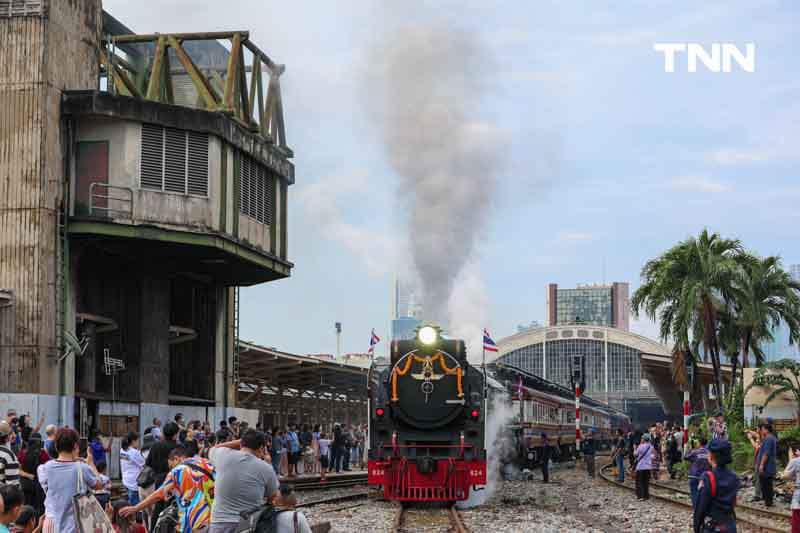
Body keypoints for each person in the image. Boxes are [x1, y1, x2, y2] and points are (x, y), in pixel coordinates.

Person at [120, 446, 214, 533]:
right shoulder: (206, 463)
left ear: (176, 459)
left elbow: (158, 495)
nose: (171, 469)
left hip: (192, 522)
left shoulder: (177, 471)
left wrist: (135, 508)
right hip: (213, 519)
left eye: (171, 466)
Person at [208, 429, 279, 533]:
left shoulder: (222, 455)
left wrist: (241, 441)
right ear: (261, 448)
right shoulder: (266, 468)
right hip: (248, 525)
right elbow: (273, 496)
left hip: (220, 524)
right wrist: (268, 463)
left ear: (241, 444)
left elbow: (214, 448)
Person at [38, 427, 103, 533]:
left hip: (51, 524)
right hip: (74, 525)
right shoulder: (82, 468)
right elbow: (99, 485)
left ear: (56, 445)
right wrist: (91, 463)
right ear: (76, 446)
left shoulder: (44, 468)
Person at [693, 438, 740, 533]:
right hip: (730, 526)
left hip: (713, 527)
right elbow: (733, 503)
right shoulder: (734, 477)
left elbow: (701, 507)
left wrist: (696, 527)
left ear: (712, 456)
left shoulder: (707, 477)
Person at [145, 422, 180, 528]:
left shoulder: (156, 445)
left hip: (159, 479)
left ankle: (154, 529)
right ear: (175, 434)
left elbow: (148, 463)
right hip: (175, 481)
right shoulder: (179, 448)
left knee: (158, 507)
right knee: (174, 508)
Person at [17, 435, 46, 513]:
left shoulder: (22, 453)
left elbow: (18, 470)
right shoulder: (43, 453)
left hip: (25, 484)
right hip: (40, 485)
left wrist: (28, 475)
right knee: (39, 508)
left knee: (25, 508)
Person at [685, 437, 711, 508]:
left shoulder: (695, 452)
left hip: (694, 476)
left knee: (694, 493)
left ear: (699, 443)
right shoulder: (709, 452)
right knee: (705, 494)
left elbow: (686, 456)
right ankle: (704, 509)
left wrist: (690, 448)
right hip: (706, 477)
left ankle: (697, 510)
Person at [120, 432, 145, 506]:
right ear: (133, 441)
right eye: (137, 440)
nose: (138, 442)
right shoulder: (134, 452)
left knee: (127, 504)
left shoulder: (122, 450)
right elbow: (144, 463)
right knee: (135, 507)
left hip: (126, 480)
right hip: (134, 483)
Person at [756, 423, 777, 507]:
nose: (762, 430)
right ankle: (768, 501)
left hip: (767, 467)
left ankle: (768, 502)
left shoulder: (768, 439)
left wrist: (761, 465)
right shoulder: (769, 438)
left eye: (763, 429)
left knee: (766, 484)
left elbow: (766, 453)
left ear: (766, 430)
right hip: (768, 466)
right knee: (767, 484)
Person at [781, 444, 800, 533]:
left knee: (796, 522)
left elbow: (785, 476)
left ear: (796, 451)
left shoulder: (795, 461)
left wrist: (791, 459)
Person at [0, 422, 20, 488]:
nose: (14, 435)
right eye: (11, 433)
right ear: (7, 437)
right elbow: (12, 487)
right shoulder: (9, 455)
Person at [635, 434, 654, 501]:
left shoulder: (641, 446)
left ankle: (641, 496)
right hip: (648, 467)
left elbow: (635, 454)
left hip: (641, 467)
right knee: (646, 482)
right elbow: (652, 456)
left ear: (644, 439)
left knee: (640, 482)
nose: (641, 439)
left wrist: (635, 448)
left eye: (642, 438)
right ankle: (646, 496)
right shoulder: (651, 447)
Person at [745, 428, 762, 501]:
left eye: (758, 428)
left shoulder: (762, 438)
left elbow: (756, 447)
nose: (756, 430)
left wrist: (750, 438)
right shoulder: (764, 435)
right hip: (760, 459)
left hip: (760, 460)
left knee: (758, 478)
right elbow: (756, 434)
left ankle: (758, 495)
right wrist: (749, 431)